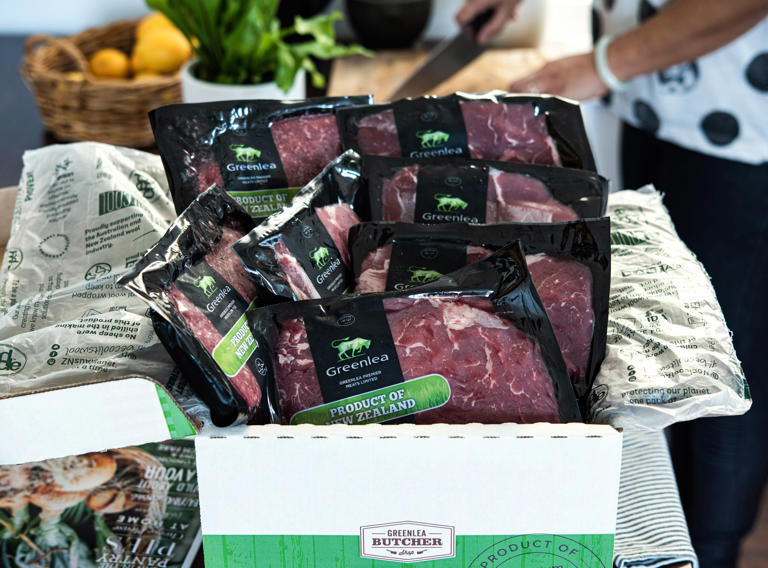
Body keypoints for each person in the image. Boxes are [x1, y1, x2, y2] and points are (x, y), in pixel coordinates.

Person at [456, 1, 768, 566]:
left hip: (740, 129)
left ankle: (710, 550)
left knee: (723, 373)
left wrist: (606, 63)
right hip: (656, 99)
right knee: (674, 354)